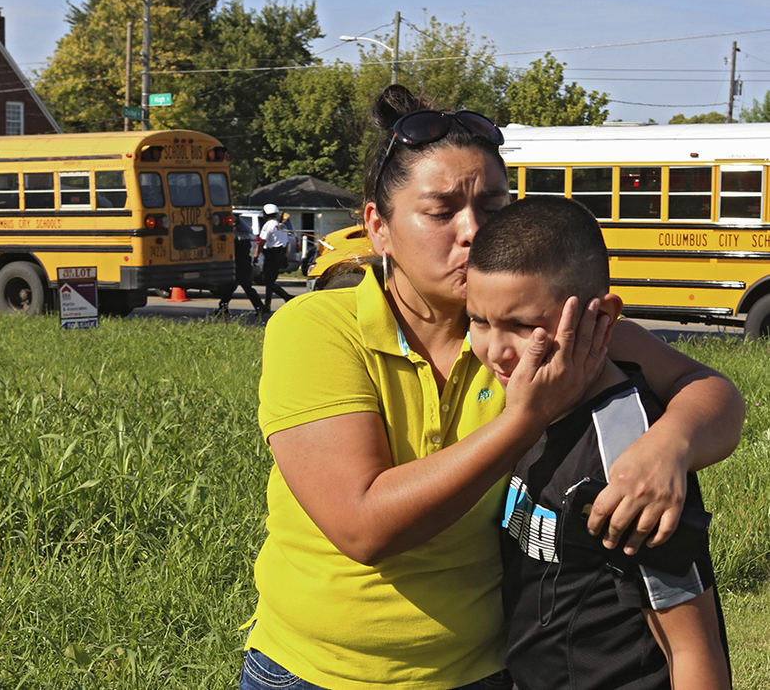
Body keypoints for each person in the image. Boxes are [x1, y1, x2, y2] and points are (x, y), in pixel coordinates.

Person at [239, 85, 744, 690]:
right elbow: (362, 526)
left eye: (493, 205)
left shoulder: (544, 327)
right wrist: (525, 418)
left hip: (486, 672)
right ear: (378, 228)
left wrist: (671, 446)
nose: (473, 229)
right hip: (315, 673)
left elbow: (710, 390)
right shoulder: (318, 329)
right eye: (440, 211)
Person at [466, 196, 731, 690]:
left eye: (523, 326)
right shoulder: (532, 402)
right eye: (478, 320)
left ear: (601, 318)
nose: (495, 351)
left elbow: (691, 644)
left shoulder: (630, 452)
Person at [217, 215, 264, 318]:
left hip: (238, 266)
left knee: (233, 288)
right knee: (236, 288)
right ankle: (259, 307)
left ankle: (223, 308)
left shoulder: (234, 238)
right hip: (244, 265)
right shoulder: (245, 236)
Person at [254, 203, 294, 312]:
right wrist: (285, 257)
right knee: (270, 281)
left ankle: (287, 297)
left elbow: (261, 242)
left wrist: (256, 255)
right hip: (280, 254)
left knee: (268, 281)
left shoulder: (268, 225)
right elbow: (287, 244)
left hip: (271, 255)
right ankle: (267, 306)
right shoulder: (282, 226)